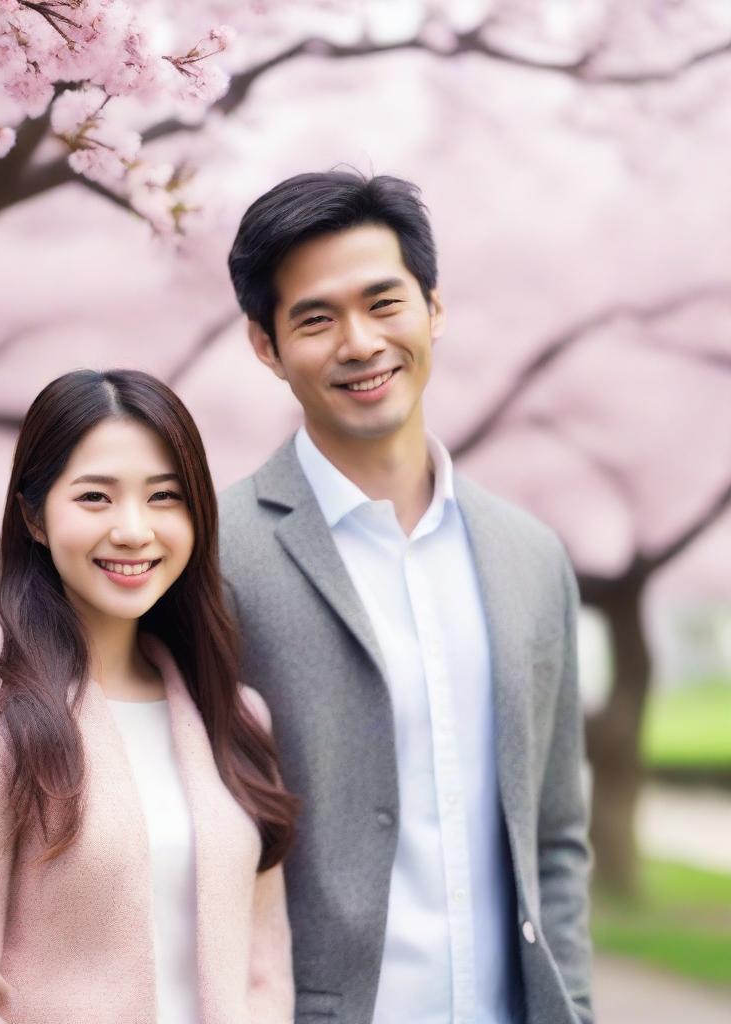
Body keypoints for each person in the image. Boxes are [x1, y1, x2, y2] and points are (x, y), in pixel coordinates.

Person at [219, 171, 593, 1024]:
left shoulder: (530, 557)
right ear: (265, 345)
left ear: (434, 309)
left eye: (384, 303)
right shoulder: (216, 556)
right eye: (315, 318)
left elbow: (557, 839)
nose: (359, 342)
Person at [0, 368, 298, 1024]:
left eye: (165, 497)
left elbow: (264, 969)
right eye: (96, 498)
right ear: (35, 517)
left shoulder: (237, 718)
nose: (134, 530)